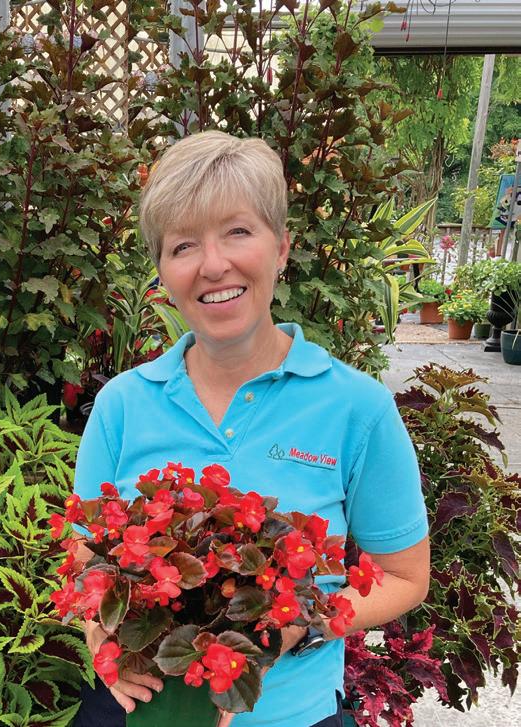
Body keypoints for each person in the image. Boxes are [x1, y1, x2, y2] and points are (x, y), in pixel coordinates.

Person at [72, 130, 430, 727]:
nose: (214, 265)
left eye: (238, 231)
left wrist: (301, 621)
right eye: (183, 245)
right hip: (143, 714)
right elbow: (87, 556)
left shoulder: (356, 407)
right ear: (162, 271)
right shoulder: (121, 405)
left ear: (282, 247)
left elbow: (404, 576)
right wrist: (103, 637)